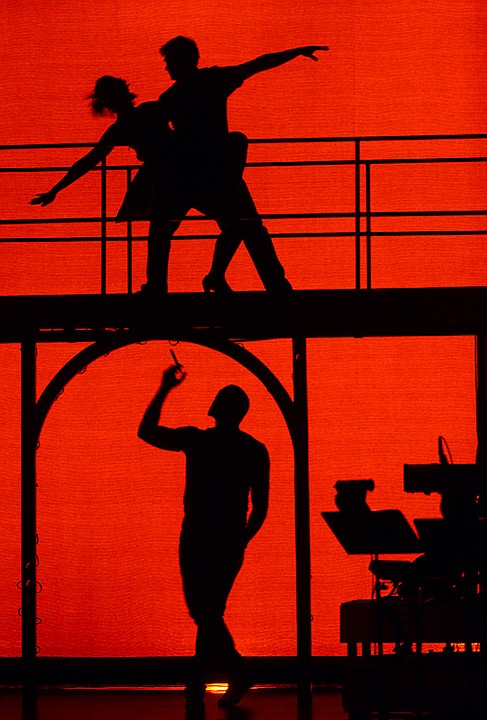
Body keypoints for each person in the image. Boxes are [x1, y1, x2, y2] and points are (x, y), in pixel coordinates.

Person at [28, 75, 243, 294]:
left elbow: (90, 160)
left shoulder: (127, 125)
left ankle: (165, 285)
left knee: (165, 233)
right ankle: (204, 277)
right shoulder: (147, 113)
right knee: (226, 225)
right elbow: (89, 160)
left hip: (170, 178)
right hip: (182, 174)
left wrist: (55, 190)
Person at [138, 361, 270, 717]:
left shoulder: (198, 440)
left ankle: (206, 684)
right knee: (209, 612)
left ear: (214, 409)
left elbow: (146, 431)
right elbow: (260, 507)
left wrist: (165, 388)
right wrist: (243, 539)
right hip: (227, 540)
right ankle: (220, 679)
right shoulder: (254, 449)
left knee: (205, 611)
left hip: (196, 536)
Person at [154, 37, 329, 293]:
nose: (167, 68)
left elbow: (156, 132)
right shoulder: (214, 81)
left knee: (162, 229)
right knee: (248, 226)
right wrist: (296, 51)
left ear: (181, 61)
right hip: (221, 170)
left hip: (187, 173)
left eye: (169, 62)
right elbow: (258, 64)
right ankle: (274, 286)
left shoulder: (172, 97)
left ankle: (160, 288)